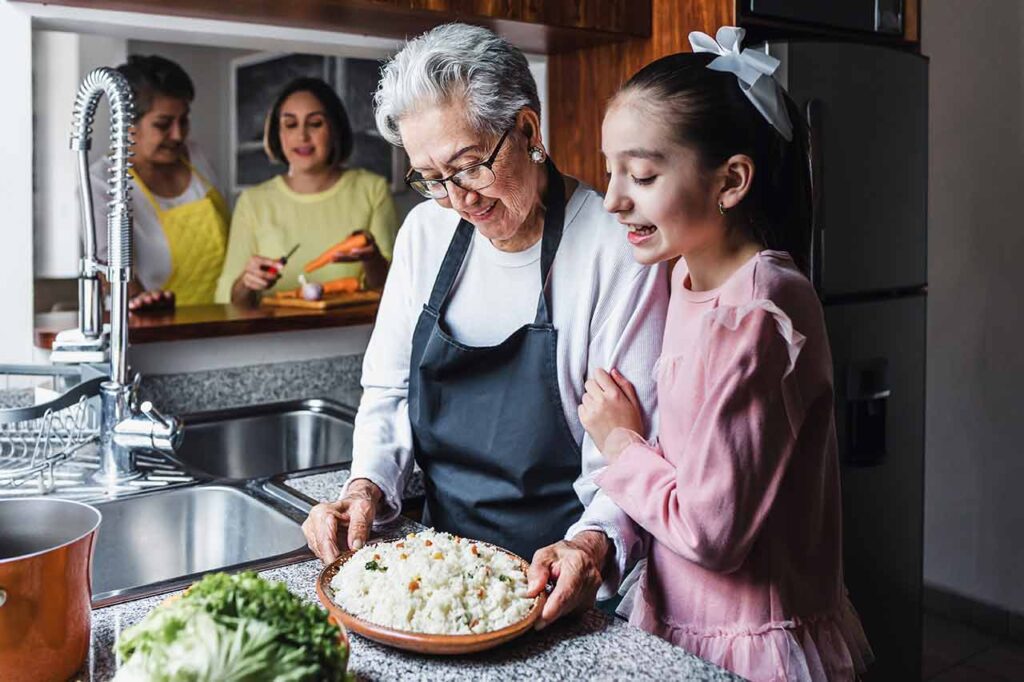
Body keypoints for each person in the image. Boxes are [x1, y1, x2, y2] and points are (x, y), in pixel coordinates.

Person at [300, 23, 669, 628]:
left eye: (469, 167)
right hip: (442, 579)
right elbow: (389, 392)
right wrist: (365, 487)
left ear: (526, 130)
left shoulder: (614, 250)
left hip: (558, 587)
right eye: (430, 178)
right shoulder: (426, 233)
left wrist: (591, 546)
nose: (457, 199)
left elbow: (631, 450)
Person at [578, 27, 873, 680]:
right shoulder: (684, 274)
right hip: (681, 622)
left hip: (749, 646)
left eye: (644, 174)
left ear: (732, 181)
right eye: (611, 168)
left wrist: (622, 445)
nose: (615, 197)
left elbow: (712, 533)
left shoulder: (763, 312)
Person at [216, 78, 398, 307]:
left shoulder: (372, 190)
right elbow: (226, 301)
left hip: (354, 334)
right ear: (278, 134)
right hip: (274, 338)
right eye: (290, 125)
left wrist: (372, 259)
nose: (302, 136)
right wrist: (246, 282)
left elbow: (393, 291)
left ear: (334, 129)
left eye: (315, 123)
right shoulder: (253, 202)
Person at [91, 54, 229, 310]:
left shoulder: (196, 157)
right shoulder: (102, 182)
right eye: (163, 124)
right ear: (127, 125)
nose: (178, 135)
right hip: (149, 327)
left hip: (217, 316)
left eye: (184, 120)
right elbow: (113, 271)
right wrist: (145, 307)